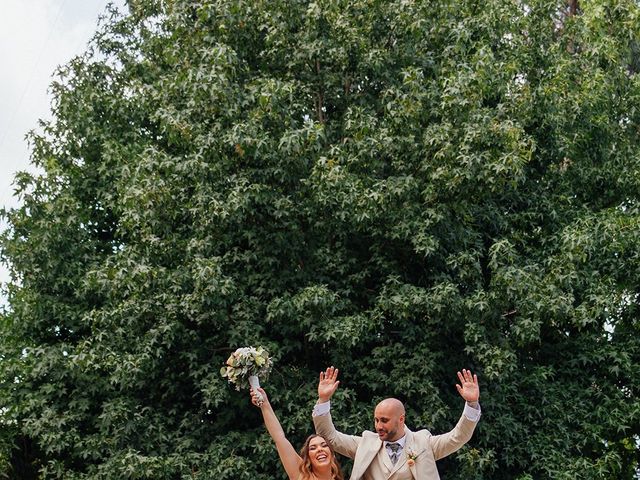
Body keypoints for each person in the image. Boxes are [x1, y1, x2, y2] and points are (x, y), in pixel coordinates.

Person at [312, 367, 481, 480]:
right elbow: (329, 437)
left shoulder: (424, 443)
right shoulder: (364, 443)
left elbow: (458, 437)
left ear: (401, 419)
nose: (378, 426)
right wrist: (323, 399)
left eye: (384, 420)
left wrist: (472, 404)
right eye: (376, 420)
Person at [250, 386, 345, 480]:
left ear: (332, 455)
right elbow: (279, 438)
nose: (319, 449)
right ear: (308, 459)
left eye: (324, 445)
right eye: (313, 448)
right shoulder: (301, 476)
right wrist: (264, 404)